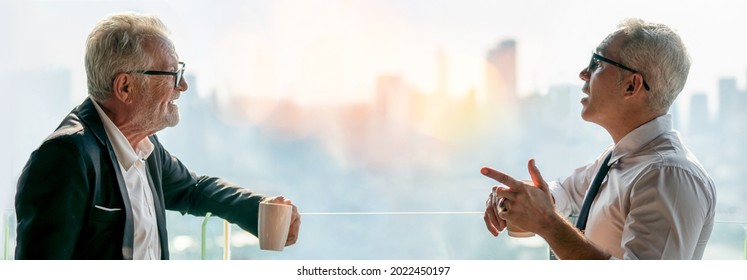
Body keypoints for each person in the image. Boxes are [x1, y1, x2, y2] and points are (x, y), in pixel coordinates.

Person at [15, 12, 301, 260]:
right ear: (125, 87)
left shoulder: (143, 147)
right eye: (172, 74)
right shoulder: (65, 157)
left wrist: (258, 209)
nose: (183, 86)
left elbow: (194, 190)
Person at [481, 18, 716, 260]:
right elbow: (566, 191)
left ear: (631, 85)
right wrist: (523, 197)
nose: (583, 74)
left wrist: (548, 224)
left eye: (597, 62)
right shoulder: (619, 159)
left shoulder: (667, 175)